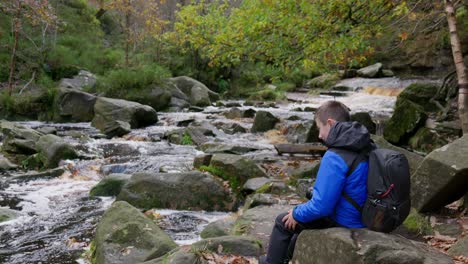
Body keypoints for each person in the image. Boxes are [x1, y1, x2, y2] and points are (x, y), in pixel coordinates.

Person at [260, 100, 373, 264]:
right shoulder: (364, 145)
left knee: (283, 222)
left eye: (319, 128)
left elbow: (322, 206)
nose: (319, 135)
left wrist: (296, 213)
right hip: (363, 215)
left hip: (345, 221)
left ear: (330, 123)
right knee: (297, 232)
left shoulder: (335, 155)